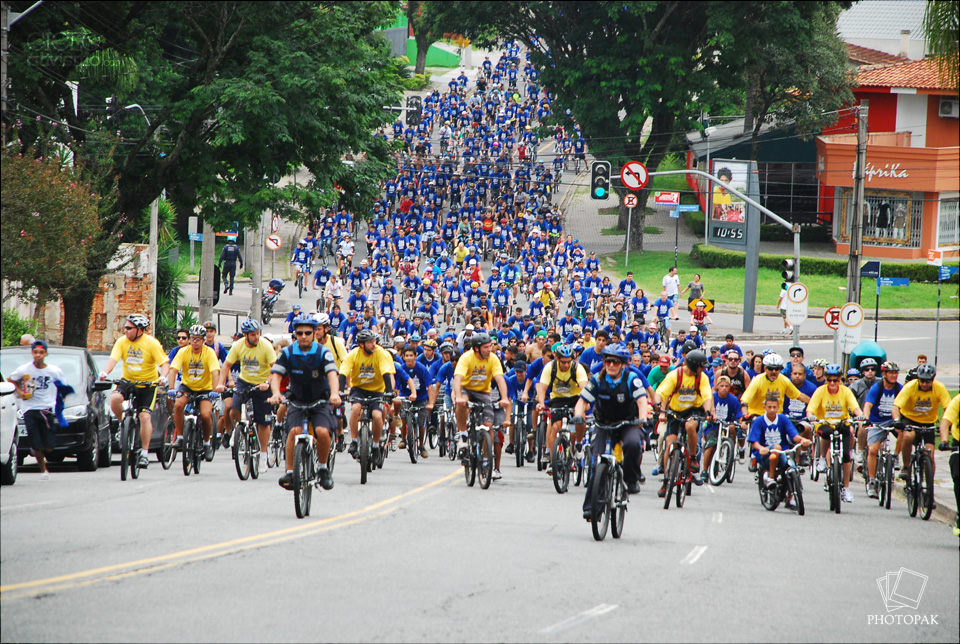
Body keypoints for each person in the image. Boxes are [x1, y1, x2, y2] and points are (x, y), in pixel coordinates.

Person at [575, 345, 649, 518]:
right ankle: (592, 508)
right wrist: (579, 415)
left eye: (615, 361)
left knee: (632, 444)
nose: (611, 365)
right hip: (603, 424)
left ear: (623, 364)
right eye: (607, 361)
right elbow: (582, 400)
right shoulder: (598, 380)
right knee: (596, 462)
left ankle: (631, 480)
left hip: (629, 423)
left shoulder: (632, 378)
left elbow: (642, 401)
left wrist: (642, 418)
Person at [269, 315, 341, 492]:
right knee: (293, 431)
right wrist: (276, 393)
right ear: (295, 334)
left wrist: (334, 394)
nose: (303, 336)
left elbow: (332, 374)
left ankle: (323, 468)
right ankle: (290, 471)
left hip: (321, 400)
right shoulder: (288, 352)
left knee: (323, 432)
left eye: (308, 333)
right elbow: (276, 376)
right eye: (299, 333)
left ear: (314, 333)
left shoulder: (323, 352)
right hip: (297, 399)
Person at [100, 314, 170, 469]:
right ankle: (122, 425)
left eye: (129, 328)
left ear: (140, 330)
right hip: (128, 381)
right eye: (125, 327)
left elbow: (165, 363)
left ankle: (144, 453)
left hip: (148, 385)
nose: (125, 331)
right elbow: (113, 359)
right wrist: (105, 372)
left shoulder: (151, 343)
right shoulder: (122, 342)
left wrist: (163, 377)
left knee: (145, 417)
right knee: (115, 399)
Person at [215, 318, 277, 473]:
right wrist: (221, 384)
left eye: (258, 334)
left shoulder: (266, 346)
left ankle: (263, 455)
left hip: (262, 382)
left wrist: (267, 383)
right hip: (244, 381)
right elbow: (227, 365)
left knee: (263, 421)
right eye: (253, 334)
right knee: (233, 408)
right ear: (245, 335)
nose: (256, 337)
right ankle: (238, 430)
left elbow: (275, 369)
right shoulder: (238, 346)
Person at [654, 350, 715, 497]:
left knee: (690, 426)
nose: (704, 369)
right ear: (694, 366)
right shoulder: (676, 375)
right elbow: (661, 392)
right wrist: (657, 405)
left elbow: (707, 395)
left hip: (694, 410)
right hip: (675, 411)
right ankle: (666, 479)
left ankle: (693, 457)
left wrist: (708, 412)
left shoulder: (702, 377)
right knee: (670, 444)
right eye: (701, 366)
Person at [6, 340, 66, 480]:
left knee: (49, 446)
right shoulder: (25, 369)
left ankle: (41, 448)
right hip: (30, 409)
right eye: (35, 352)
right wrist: (20, 392)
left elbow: (63, 386)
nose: (38, 355)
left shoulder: (54, 371)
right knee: (36, 444)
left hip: (46, 410)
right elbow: (11, 379)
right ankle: (44, 470)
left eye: (41, 352)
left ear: (46, 354)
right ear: (32, 353)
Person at [808, 364, 864, 503]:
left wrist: (860, 415)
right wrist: (811, 416)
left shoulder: (845, 391)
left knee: (845, 456)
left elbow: (855, 407)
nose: (832, 383)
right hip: (824, 423)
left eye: (835, 380)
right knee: (826, 433)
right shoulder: (820, 391)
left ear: (840, 380)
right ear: (826, 380)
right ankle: (822, 458)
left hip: (841, 424)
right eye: (829, 380)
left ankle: (845, 488)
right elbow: (811, 409)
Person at [453, 332, 510, 464]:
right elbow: (458, 378)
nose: (489, 349)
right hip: (467, 389)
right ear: (477, 348)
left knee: (488, 426)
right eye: (486, 347)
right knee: (461, 404)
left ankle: (486, 458)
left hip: (484, 392)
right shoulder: (466, 357)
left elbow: (500, 379)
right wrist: (459, 397)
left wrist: (505, 398)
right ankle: (463, 435)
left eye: (490, 346)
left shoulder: (493, 358)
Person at [340, 329, 396, 461]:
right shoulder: (354, 354)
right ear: (361, 344)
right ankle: (354, 441)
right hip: (358, 388)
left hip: (377, 389)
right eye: (370, 342)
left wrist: (389, 392)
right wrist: (340, 391)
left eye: (374, 341)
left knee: (377, 416)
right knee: (355, 409)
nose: (373, 345)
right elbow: (343, 372)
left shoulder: (380, 353)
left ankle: (376, 445)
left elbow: (386, 372)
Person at [749, 393, 811, 510]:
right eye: (769, 407)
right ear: (765, 408)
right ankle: (770, 478)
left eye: (774, 407)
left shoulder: (783, 419)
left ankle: (791, 496)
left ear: (778, 408)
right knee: (776, 448)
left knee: (792, 467)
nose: (772, 410)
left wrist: (803, 440)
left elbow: (794, 435)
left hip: (782, 452)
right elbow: (754, 441)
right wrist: (761, 448)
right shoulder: (759, 421)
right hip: (765, 454)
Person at [167, 325, 220, 460]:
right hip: (187, 386)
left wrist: (215, 390)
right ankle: (180, 437)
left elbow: (215, 372)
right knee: (178, 405)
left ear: (203, 340)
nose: (195, 342)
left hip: (205, 388)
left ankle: (207, 442)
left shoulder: (210, 353)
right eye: (192, 339)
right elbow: (173, 370)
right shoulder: (183, 351)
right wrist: (172, 388)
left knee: (205, 414)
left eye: (198, 339)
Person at [536, 343, 589, 475]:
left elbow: (584, 387)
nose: (566, 365)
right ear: (557, 359)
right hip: (557, 399)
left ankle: (578, 444)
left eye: (568, 362)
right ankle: (552, 460)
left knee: (580, 419)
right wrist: (541, 403)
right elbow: (542, 388)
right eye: (563, 362)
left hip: (575, 398)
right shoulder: (550, 367)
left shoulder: (577, 368)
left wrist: (586, 402)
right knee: (555, 427)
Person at [892, 363, 951, 480]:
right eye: (922, 381)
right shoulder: (910, 387)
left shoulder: (939, 388)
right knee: (908, 436)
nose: (924, 384)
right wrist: (897, 420)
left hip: (928, 422)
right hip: (910, 419)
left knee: (930, 454)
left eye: (927, 382)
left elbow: (948, 409)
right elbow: (895, 406)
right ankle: (906, 466)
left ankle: (929, 486)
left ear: (932, 380)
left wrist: (947, 424)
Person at [862, 361, 903, 498]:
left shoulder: (899, 389)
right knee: (873, 450)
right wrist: (866, 419)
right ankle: (872, 481)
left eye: (896, 373)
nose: (894, 375)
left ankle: (896, 456)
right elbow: (867, 405)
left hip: (892, 420)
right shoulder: (877, 387)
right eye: (891, 373)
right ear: (884, 374)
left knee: (904, 432)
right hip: (877, 421)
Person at [937, 393, 959, 537]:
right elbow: (945, 422)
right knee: (957, 474)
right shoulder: (958, 400)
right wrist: (944, 440)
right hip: (958, 443)